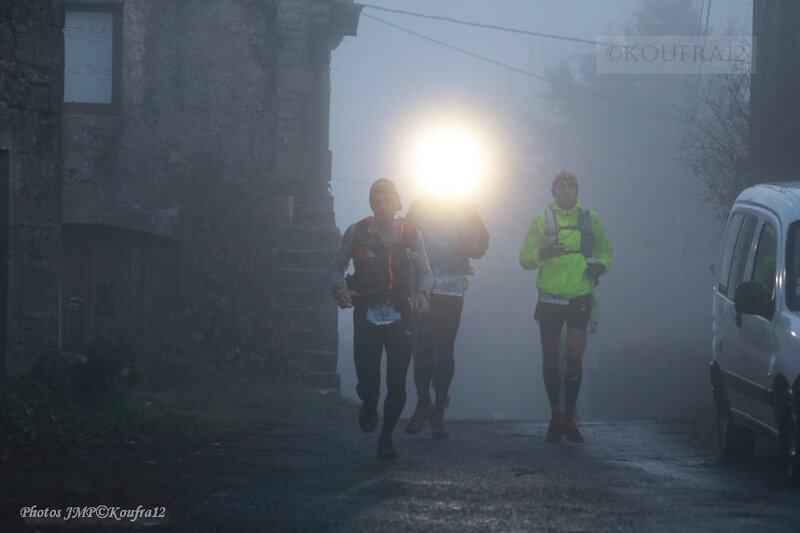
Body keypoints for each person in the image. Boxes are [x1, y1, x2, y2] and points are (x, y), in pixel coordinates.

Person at [328, 178, 433, 459]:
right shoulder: (357, 231)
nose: (383, 206)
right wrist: (340, 291)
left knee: (397, 380)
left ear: (398, 203)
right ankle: (369, 400)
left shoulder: (411, 234)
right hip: (367, 312)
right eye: (377, 200)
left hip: (401, 313)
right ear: (371, 203)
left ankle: (386, 437)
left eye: (388, 200)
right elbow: (336, 268)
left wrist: (423, 293)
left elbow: (426, 271)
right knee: (369, 378)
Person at [519, 171, 612, 444]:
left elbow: (607, 251)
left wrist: (602, 266)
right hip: (549, 296)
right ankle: (555, 415)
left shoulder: (591, 219)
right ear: (553, 192)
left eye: (571, 186)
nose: (567, 190)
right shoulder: (541, 220)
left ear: (578, 191)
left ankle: (568, 416)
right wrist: (542, 254)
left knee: (573, 356)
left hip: (581, 295)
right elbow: (524, 259)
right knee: (550, 357)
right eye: (561, 186)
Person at [403, 195, 489, 438]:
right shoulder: (419, 205)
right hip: (423, 287)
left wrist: (469, 244)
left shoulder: (466, 206)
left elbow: (482, 245)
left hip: (452, 286)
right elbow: (404, 240)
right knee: (421, 347)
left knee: (444, 349)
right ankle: (423, 403)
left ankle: (438, 409)